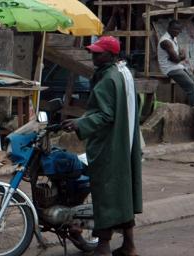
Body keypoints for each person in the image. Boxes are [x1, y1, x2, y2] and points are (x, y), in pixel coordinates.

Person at [62, 36, 143, 256]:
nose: (93, 56)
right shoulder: (124, 74)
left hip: (110, 144)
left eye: (98, 53)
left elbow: (105, 115)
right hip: (125, 140)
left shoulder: (108, 79)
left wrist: (80, 123)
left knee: (105, 193)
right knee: (122, 193)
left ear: (111, 55)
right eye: (93, 52)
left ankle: (103, 245)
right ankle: (129, 245)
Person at [158, 20, 194, 107]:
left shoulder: (173, 39)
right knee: (192, 87)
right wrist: (182, 56)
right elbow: (177, 59)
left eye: (178, 30)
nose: (177, 32)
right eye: (175, 29)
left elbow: (177, 56)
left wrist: (179, 57)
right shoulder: (166, 41)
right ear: (169, 28)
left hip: (177, 67)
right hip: (169, 69)